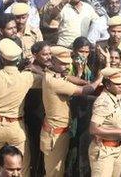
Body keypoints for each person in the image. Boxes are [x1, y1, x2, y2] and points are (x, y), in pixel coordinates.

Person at [0, 37, 38, 177]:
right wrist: (35, 68)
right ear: (18, 59)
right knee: (19, 167)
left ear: (2, 58)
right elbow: (47, 81)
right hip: (16, 125)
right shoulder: (27, 77)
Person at [41, 45, 96, 177]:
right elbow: (84, 91)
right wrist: (99, 79)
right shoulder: (53, 81)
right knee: (55, 172)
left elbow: (69, 78)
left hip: (60, 132)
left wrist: (84, 81)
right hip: (55, 135)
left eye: (68, 64)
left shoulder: (54, 74)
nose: (66, 67)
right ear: (52, 61)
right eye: (62, 63)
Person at [88, 67, 121, 177]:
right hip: (104, 151)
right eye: (117, 84)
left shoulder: (115, 95)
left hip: (117, 148)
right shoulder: (103, 102)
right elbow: (93, 129)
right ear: (107, 85)